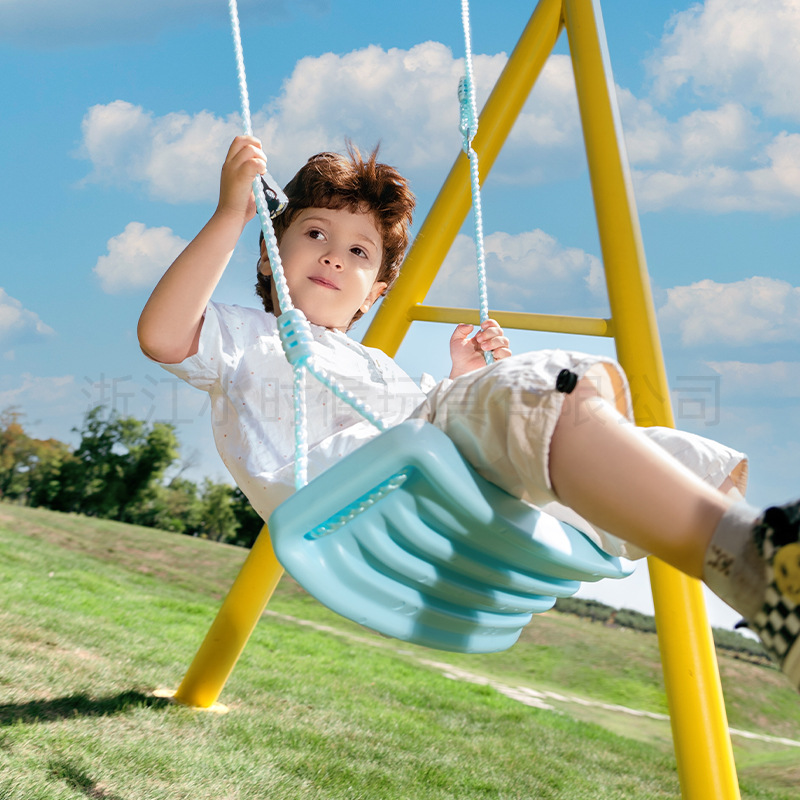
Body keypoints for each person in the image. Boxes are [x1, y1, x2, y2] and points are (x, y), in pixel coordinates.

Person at [138, 135, 799, 690]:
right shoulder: (247, 336)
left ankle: (766, 578)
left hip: (433, 477)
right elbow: (163, 335)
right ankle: (762, 563)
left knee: (667, 453)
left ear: (376, 293)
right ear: (270, 255)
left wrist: (463, 381)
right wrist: (230, 213)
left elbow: (418, 418)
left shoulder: (375, 368)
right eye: (314, 233)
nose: (336, 254)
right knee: (545, 385)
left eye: (360, 251)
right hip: (367, 494)